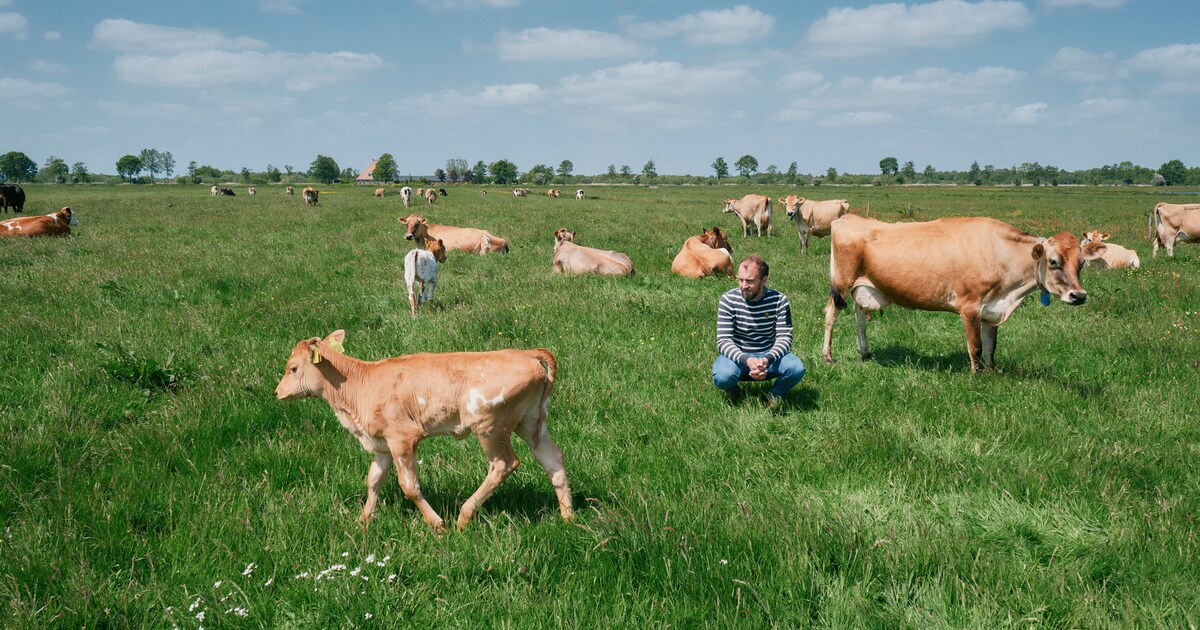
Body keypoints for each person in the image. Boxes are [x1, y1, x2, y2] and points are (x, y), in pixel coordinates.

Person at [712, 255, 806, 406]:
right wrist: (747, 360)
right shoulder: (728, 300)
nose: (743, 285)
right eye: (740, 279)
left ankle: (774, 395)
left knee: (796, 368)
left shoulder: (779, 300)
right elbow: (723, 341)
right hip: (739, 357)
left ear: (764, 280)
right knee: (722, 376)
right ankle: (733, 391)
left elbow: (785, 338)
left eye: (749, 281)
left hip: (768, 357)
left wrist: (766, 359)